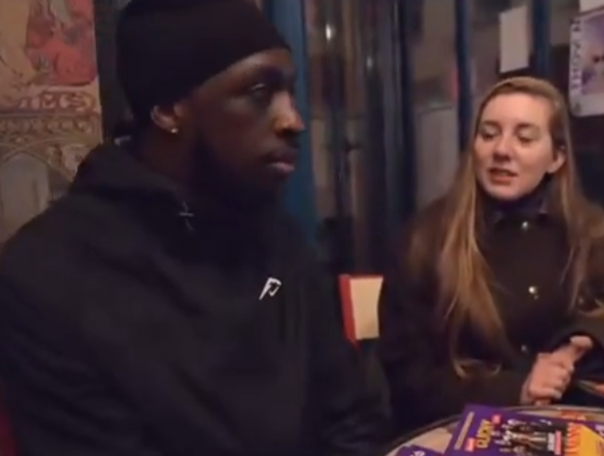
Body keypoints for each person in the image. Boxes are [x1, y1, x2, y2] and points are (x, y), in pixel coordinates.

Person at [0, 1, 384, 455]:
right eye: (259, 92)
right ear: (168, 110)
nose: (293, 120)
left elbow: (352, 419)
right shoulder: (46, 276)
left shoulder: (280, 238)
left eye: (290, 92)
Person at [378, 76, 604, 433]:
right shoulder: (425, 240)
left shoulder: (591, 232)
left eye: (524, 138)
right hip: (461, 431)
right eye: (488, 134)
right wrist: (517, 389)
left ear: (556, 158)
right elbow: (408, 380)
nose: (502, 150)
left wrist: (582, 340)